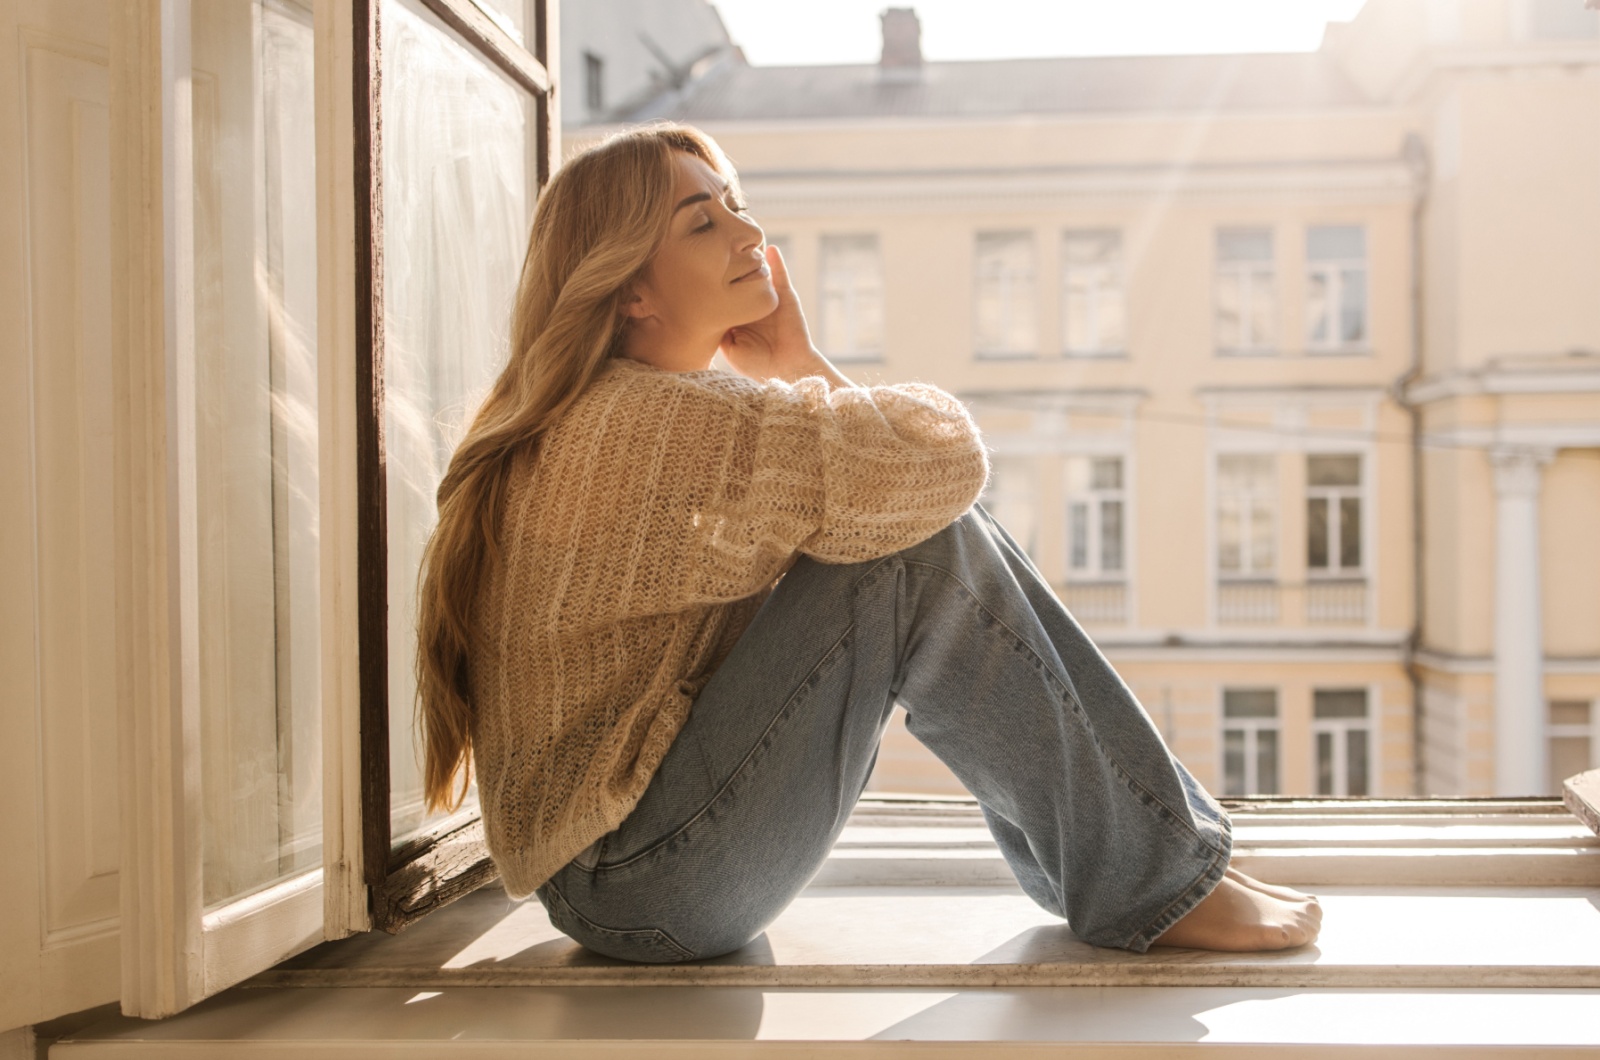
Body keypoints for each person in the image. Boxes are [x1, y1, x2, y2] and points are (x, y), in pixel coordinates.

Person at [414, 123, 1321, 964]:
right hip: (644, 878)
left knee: (909, 533)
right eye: (702, 221)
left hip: (629, 877)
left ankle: (1154, 867)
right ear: (630, 291)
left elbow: (905, 489)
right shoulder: (648, 426)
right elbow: (940, 460)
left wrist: (789, 373)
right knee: (914, 553)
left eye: (734, 201)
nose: (745, 229)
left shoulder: (620, 416)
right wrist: (800, 365)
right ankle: (1153, 881)